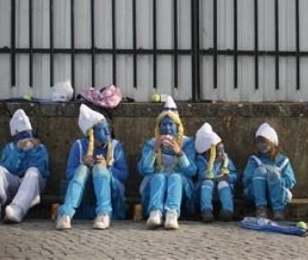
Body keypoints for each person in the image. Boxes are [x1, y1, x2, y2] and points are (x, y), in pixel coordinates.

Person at [55, 104, 128, 230]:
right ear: (91, 134)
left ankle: (103, 213)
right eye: (102, 129)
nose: (107, 133)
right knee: (82, 169)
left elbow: (124, 175)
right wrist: (83, 165)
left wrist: (108, 168)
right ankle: (65, 214)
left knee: (100, 169)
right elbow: (69, 174)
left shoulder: (116, 146)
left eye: (107, 128)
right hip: (84, 198)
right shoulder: (78, 146)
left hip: (111, 197)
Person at [138, 96, 197, 230]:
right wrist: (154, 151)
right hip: (156, 182)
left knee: (175, 177)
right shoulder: (151, 143)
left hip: (179, 186)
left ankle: (172, 213)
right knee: (158, 177)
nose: (167, 128)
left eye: (171, 124)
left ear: (177, 127)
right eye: (164, 124)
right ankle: (155, 212)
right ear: (159, 127)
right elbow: (143, 170)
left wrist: (179, 153)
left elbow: (192, 171)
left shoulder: (187, 143)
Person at [0, 109, 49, 224]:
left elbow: (41, 172)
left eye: (26, 134)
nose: (24, 138)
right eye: (20, 136)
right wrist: (18, 152)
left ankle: (17, 209)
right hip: (14, 183)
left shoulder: (40, 148)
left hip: (32, 186)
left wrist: (32, 151)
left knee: (33, 171)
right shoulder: (9, 148)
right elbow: (7, 168)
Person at [242, 122, 296, 221]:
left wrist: (276, 178)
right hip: (257, 194)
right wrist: (262, 177)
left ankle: (278, 210)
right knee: (260, 171)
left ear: (272, 142)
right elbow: (246, 179)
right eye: (258, 142)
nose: (261, 145)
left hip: (277, 194)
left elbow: (290, 180)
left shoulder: (283, 160)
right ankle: (261, 208)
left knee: (273, 174)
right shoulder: (254, 160)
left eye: (264, 142)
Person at [194, 122, 238, 222]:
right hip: (205, 190)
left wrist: (228, 177)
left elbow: (234, 174)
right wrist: (216, 163)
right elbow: (204, 175)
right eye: (217, 151)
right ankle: (206, 210)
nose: (220, 153)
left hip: (220, 190)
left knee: (223, 183)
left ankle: (227, 210)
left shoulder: (226, 159)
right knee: (207, 182)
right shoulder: (201, 161)